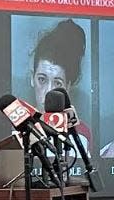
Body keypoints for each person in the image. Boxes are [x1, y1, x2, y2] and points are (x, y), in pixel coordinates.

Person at [28, 18, 93, 151]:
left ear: (68, 87)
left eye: (57, 83)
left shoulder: (81, 135)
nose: (48, 92)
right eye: (42, 79)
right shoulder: (18, 131)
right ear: (32, 78)